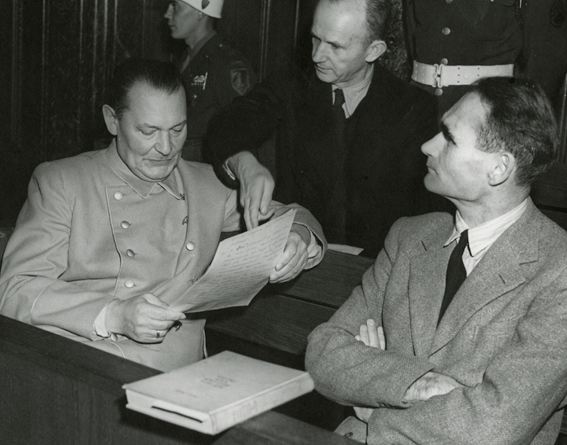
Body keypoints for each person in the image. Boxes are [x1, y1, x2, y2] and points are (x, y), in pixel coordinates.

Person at [0, 58, 325, 372]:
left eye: (177, 129)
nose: (167, 148)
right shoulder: (64, 181)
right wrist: (114, 315)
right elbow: (17, 290)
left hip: (176, 373)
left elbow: (294, 215)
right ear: (112, 120)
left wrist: (298, 238)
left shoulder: (206, 185)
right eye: (148, 131)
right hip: (88, 363)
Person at [305, 77, 567, 444]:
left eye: (449, 138)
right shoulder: (410, 237)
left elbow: (489, 431)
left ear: (499, 169)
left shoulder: (558, 269)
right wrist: (415, 386)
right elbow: (322, 353)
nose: (427, 145)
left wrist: (374, 400)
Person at [205, 0, 448, 258]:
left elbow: (423, 219)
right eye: (315, 39)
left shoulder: (413, 108)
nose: (316, 56)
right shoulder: (293, 83)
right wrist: (245, 163)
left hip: (376, 267)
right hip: (297, 258)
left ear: (373, 50)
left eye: (334, 46)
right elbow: (227, 123)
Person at [405, 0, 567, 116]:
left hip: (489, 113)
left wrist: (518, 122)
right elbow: (413, 39)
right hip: (419, 108)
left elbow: (545, 66)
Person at [164, 0, 257, 162]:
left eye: (176, 7)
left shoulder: (228, 65)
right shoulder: (186, 58)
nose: (167, 14)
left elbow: (244, 135)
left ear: (201, 12)